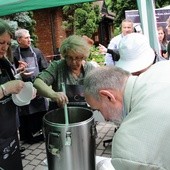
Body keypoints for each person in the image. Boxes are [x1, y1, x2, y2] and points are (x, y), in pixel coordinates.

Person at [83, 60, 170, 170]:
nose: (105, 118)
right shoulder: (162, 67)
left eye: (99, 110)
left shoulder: (127, 147)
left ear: (109, 97)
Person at [33, 35, 96, 110]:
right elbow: (37, 82)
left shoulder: (90, 69)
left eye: (77, 58)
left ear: (83, 57)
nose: (73, 62)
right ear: (64, 56)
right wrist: (53, 95)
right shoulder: (57, 66)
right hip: (60, 113)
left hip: (85, 114)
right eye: (69, 58)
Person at [13, 29, 48, 144]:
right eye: (26, 38)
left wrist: (41, 84)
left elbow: (45, 69)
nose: (29, 40)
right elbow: (12, 73)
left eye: (29, 37)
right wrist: (20, 74)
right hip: (23, 89)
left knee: (41, 109)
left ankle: (42, 134)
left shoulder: (37, 52)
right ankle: (29, 137)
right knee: (26, 112)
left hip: (37, 86)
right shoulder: (14, 54)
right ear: (19, 40)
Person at [0, 19, 24, 170]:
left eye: (7, 43)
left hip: (9, 131)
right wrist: (4, 89)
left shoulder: (4, 62)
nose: (5, 47)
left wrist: (23, 92)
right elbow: (5, 88)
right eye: (1, 42)